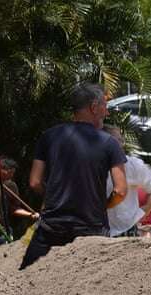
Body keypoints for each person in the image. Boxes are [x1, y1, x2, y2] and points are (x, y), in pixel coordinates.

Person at [22, 83, 127, 269]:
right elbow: (120, 191)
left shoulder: (49, 136)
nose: (107, 113)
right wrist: (103, 205)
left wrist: (54, 198)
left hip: (51, 227)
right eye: (105, 106)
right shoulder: (109, 143)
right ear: (94, 107)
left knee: (25, 277)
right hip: (92, 229)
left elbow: (34, 182)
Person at [102, 125, 151, 237]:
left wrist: (145, 211)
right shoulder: (91, 164)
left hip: (125, 231)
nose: (122, 144)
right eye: (117, 140)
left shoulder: (132, 164)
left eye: (121, 140)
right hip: (95, 231)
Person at [0, 157, 37, 245]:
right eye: (10, 172)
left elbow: (14, 208)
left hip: (2, 230)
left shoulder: (11, 186)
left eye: (13, 173)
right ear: (2, 170)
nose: (11, 176)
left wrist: (31, 214)